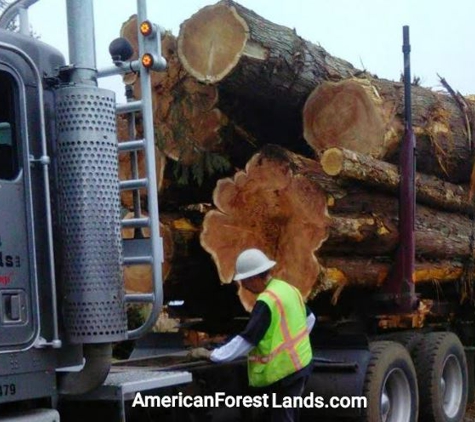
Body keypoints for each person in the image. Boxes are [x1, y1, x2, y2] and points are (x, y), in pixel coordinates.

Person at [190, 248, 316, 422]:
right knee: (288, 415)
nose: (243, 286)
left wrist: (213, 355)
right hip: (301, 364)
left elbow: (248, 340)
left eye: (243, 281)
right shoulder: (287, 289)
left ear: (254, 278)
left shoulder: (267, 301)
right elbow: (309, 319)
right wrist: (294, 345)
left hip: (285, 371)